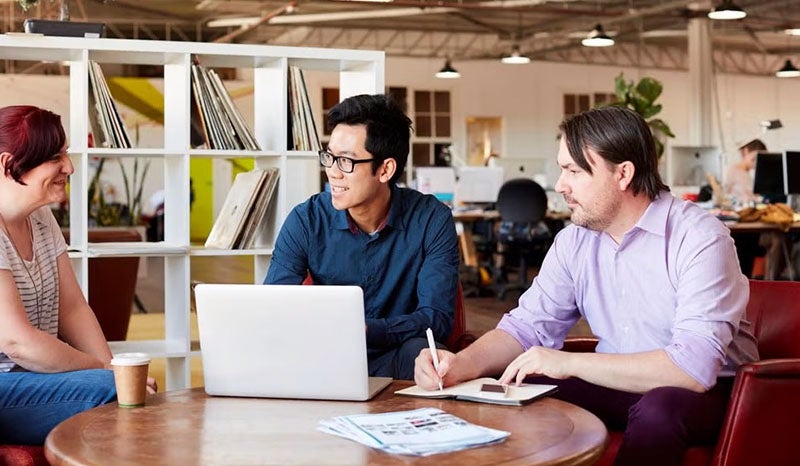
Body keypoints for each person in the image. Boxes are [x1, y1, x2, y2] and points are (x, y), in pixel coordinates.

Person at [414, 106, 759, 466]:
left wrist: (569, 362)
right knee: (518, 387)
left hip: (709, 392)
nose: (560, 185)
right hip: (619, 382)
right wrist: (458, 365)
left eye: (574, 171)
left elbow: (692, 370)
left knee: (659, 407)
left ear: (623, 174)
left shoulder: (699, 237)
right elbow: (527, 326)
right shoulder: (575, 241)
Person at [265, 94, 460, 380]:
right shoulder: (306, 220)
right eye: (329, 156)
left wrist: (368, 330)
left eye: (345, 161)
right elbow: (275, 306)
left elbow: (437, 319)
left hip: (399, 353)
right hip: (326, 353)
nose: (332, 172)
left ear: (385, 169)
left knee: (428, 357)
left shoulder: (431, 219)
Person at [0, 105, 156, 445]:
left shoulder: (42, 220)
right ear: (9, 165)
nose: (69, 167)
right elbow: (17, 343)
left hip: (33, 380)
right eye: (55, 157)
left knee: (128, 387)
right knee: (110, 391)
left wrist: (115, 370)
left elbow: (73, 308)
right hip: (4, 385)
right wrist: (103, 372)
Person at [723, 139, 786, 279]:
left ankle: (771, 281)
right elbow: (724, 198)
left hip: (756, 217)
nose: (755, 163)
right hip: (741, 220)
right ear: (745, 152)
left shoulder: (753, 174)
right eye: (753, 159)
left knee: (778, 238)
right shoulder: (733, 171)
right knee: (762, 241)